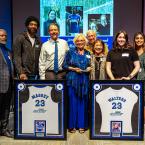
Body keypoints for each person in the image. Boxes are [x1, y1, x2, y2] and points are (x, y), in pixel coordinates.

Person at [63, 34, 91, 134]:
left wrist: (89, 68)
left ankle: (81, 125)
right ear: (75, 42)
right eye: (78, 41)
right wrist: (74, 69)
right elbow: (65, 65)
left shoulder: (88, 53)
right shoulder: (70, 52)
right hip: (72, 80)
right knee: (72, 102)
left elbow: (90, 65)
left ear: (85, 42)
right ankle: (72, 125)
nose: (80, 42)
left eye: (82, 41)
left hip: (84, 80)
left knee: (83, 103)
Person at [13, 16, 42, 80]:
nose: (33, 26)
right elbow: (16, 57)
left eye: (35, 25)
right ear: (27, 26)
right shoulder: (20, 38)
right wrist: (21, 72)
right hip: (23, 75)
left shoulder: (38, 41)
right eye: (31, 24)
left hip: (36, 75)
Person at [0, 29, 13, 137]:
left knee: (6, 108)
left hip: (9, 84)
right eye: (1, 35)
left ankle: (4, 129)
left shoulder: (8, 51)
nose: (4, 37)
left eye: (5, 35)